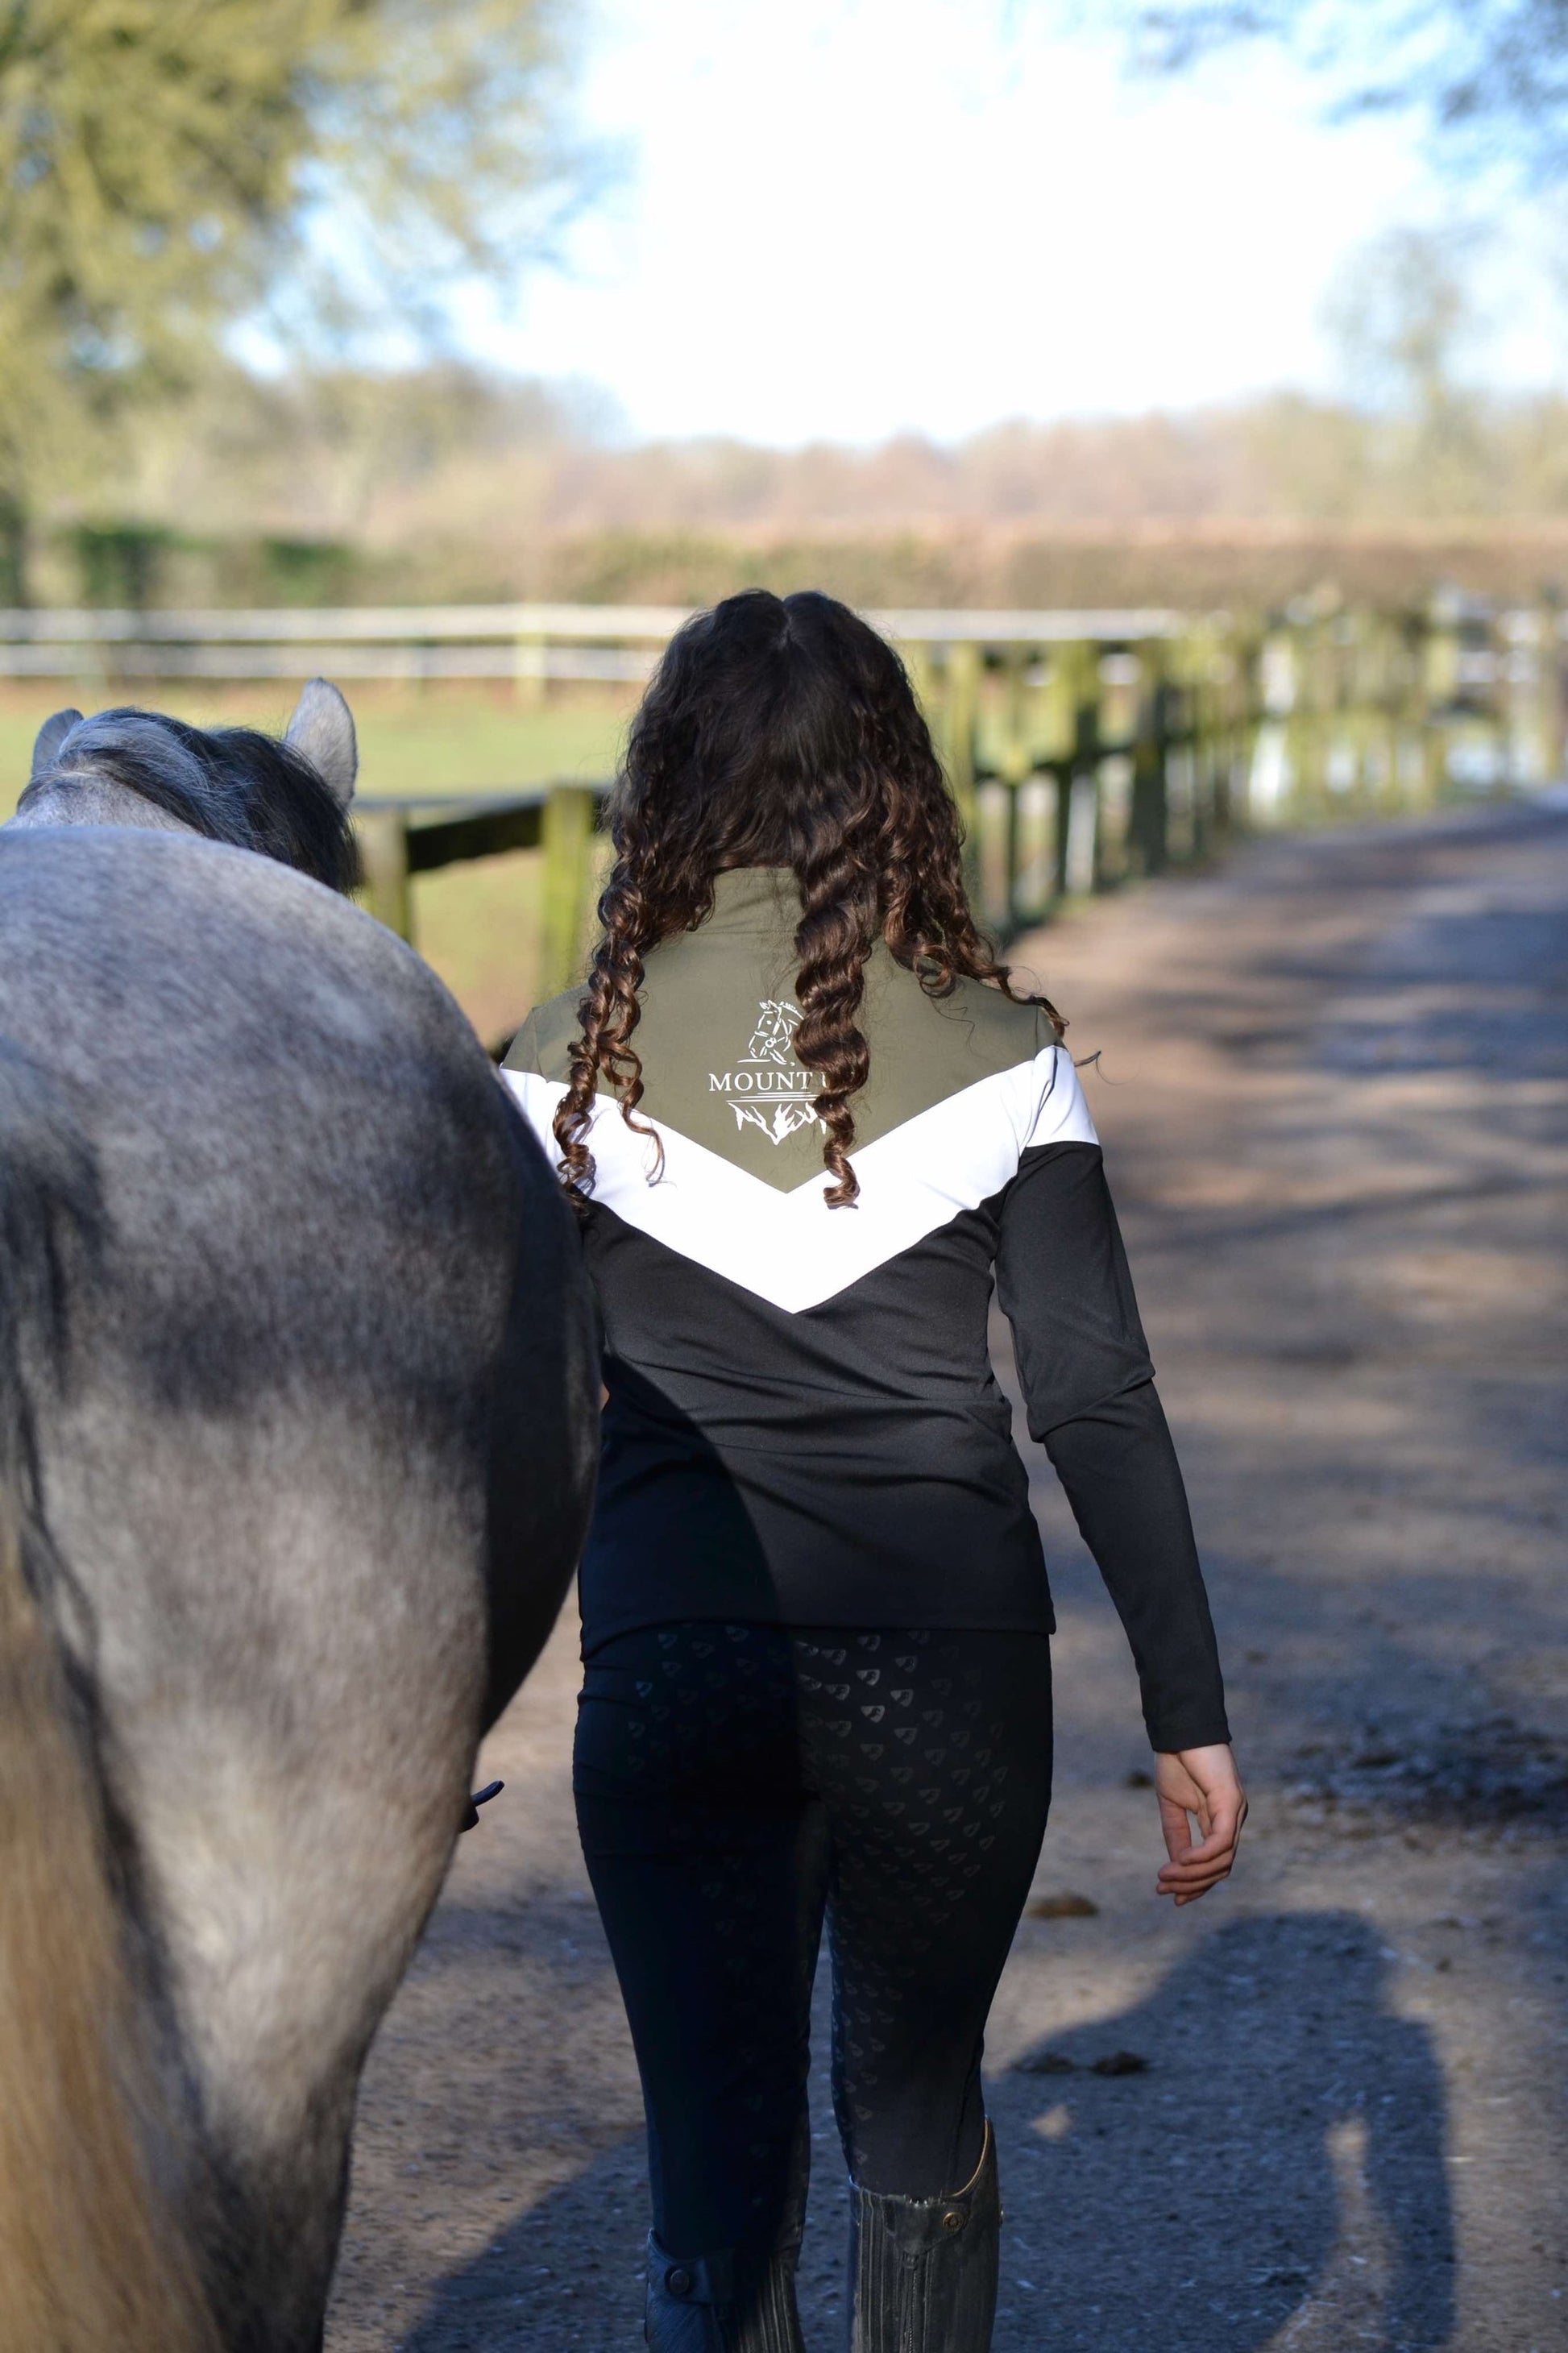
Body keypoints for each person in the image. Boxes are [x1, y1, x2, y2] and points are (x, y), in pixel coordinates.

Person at [503, 589, 1246, 2353]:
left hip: (677, 1668)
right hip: (950, 1678)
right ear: (894, 789)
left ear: (665, 785)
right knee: (913, 2120)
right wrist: (1188, 1704)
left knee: (713, 2156)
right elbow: (1098, 1402)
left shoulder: (554, 1067)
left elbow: (499, 1424)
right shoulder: (1007, 1057)